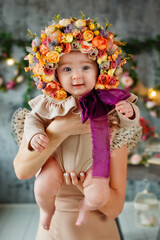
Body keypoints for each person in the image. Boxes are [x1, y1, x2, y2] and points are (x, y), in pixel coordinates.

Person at [13, 15, 142, 239]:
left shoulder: (107, 103)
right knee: (43, 185)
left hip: (98, 219)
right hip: (56, 227)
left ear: (100, 70)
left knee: (98, 190)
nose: (77, 76)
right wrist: (49, 131)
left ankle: (85, 207)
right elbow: (23, 168)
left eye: (85, 67)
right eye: (66, 70)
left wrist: (129, 113)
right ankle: (46, 210)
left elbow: (115, 208)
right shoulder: (50, 103)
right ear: (53, 74)